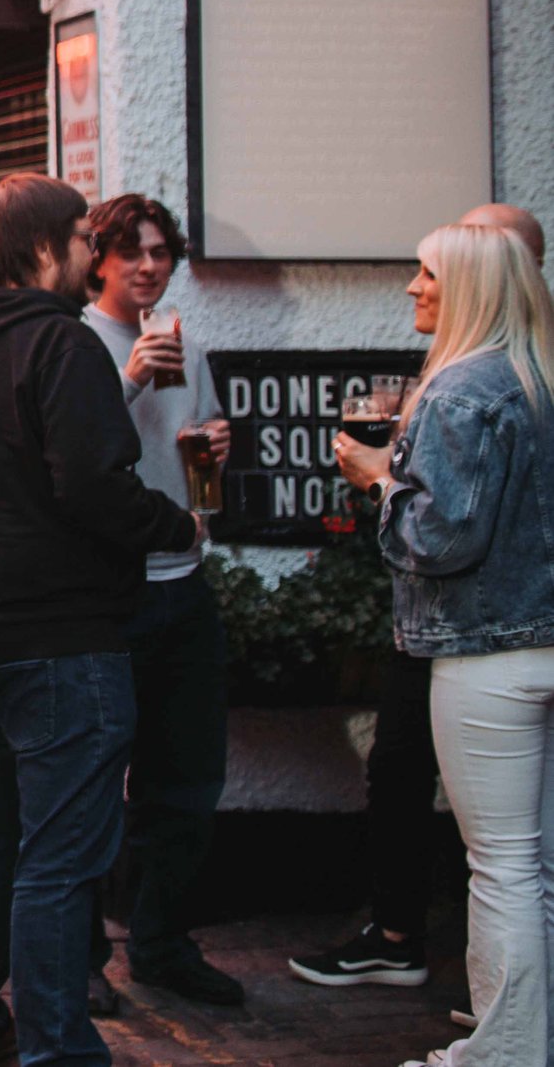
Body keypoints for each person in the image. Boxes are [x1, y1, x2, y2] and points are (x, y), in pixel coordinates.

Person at [0, 174, 202, 1067]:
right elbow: (93, 489)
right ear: (45, 250)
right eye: (83, 236)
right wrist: (174, 523)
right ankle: (56, 1048)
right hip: (59, 639)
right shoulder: (63, 345)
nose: (93, 251)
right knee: (57, 856)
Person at [291, 199, 548, 995]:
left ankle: (506, 1041)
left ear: (468, 286)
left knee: (501, 864)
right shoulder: (535, 374)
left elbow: (439, 540)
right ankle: (523, 1028)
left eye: (428, 271)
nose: (411, 287)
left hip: (480, 646)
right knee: (533, 860)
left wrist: (380, 481)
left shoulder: (459, 389)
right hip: (537, 633)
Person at [79, 194, 241, 1011]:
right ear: (98, 259)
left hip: (184, 581)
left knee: (185, 782)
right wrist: (132, 376)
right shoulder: (80, 344)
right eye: (131, 252)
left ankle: (162, 943)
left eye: (161, 253)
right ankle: (80, 959)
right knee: (95, 782)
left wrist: (214, 442)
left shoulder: (187, 344)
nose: (148, 266)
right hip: (113, 593)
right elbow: (77, 451)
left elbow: (197, 446)